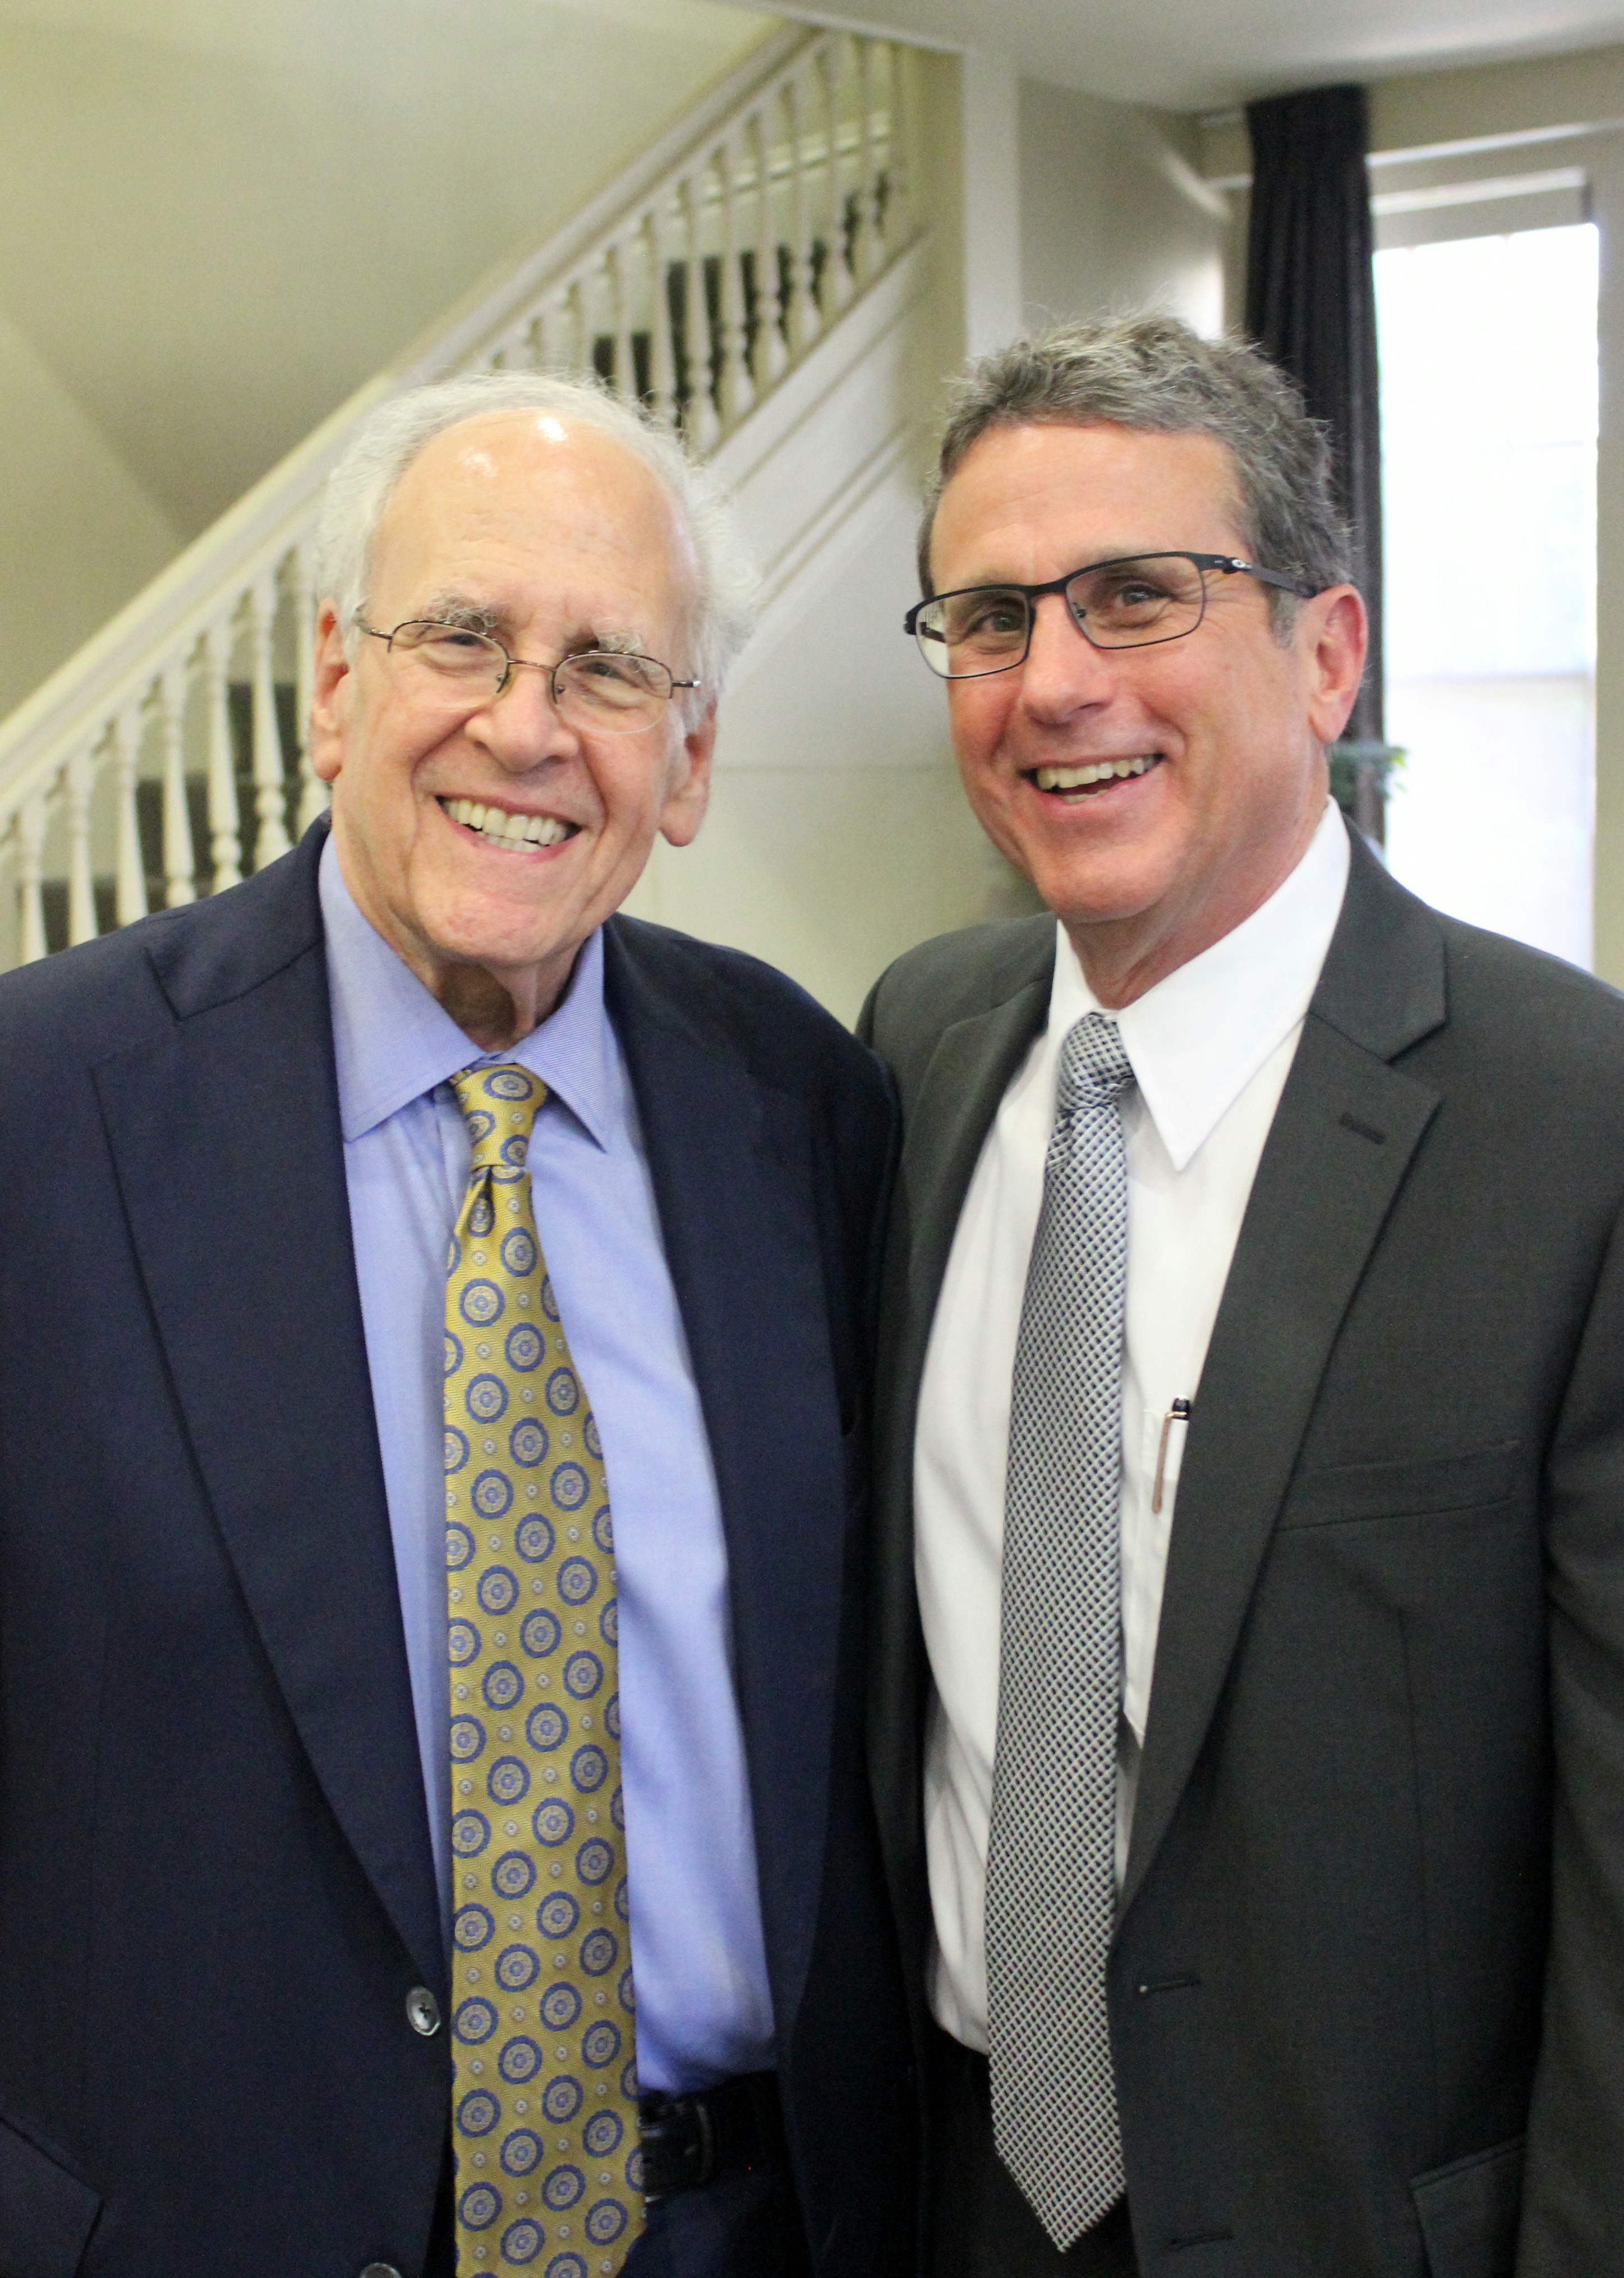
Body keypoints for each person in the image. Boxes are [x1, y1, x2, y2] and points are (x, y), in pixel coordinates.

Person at [0, 370, 914, 2278]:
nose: (527, 726)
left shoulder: (801, 1102)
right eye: (463, 637)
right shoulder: (46, 1108)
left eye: (608, 668)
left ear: (689, 755)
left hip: (745, 2229)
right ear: (335, 677)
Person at [859, 313, 1624, 2277]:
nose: (1057, 683)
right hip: (947, 2201)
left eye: (1138, 596)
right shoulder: (913, 1052)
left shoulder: (1574, 1125)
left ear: (1328, 648)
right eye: (992, 616)